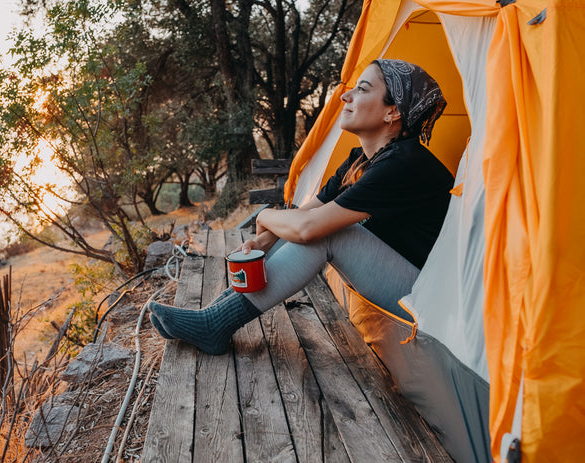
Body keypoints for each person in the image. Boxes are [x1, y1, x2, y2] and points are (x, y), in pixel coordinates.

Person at [149, 58, 455, 354]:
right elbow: (308, 211)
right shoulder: (360, 161)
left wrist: (266, 215)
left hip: (427, 299)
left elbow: (309, 228)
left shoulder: (405, 164)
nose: (346, 95)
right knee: (312, 228)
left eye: (362, 89)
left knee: (328, 233)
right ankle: (212, 316)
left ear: (392, 112)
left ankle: (214, 324)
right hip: (397, 280)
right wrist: (263, 240)